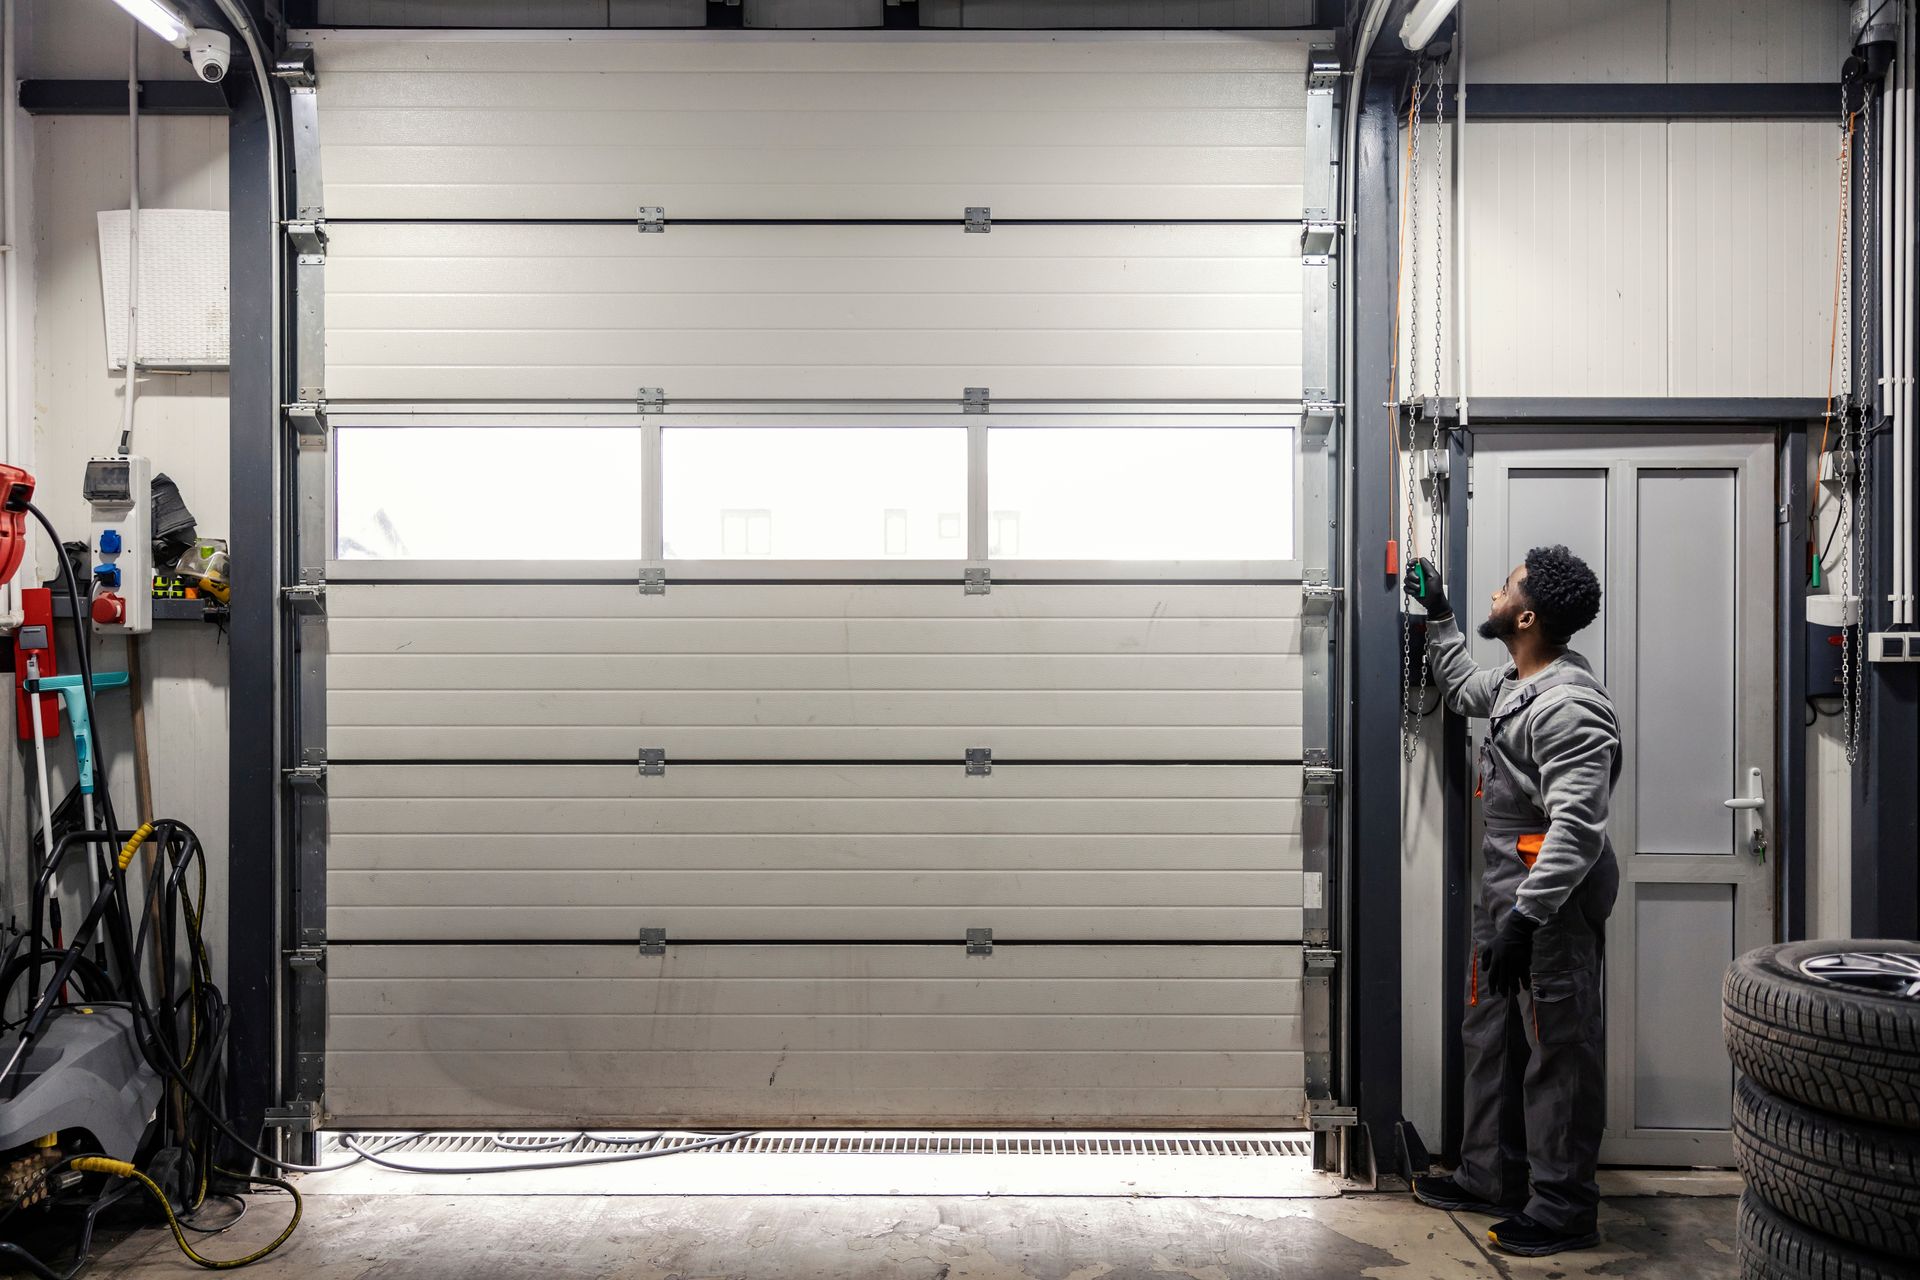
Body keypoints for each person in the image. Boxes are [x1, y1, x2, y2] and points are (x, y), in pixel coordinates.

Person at [1402, 545, 1620, 1259]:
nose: (1495, 590)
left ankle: (1562, 1209)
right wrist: (1440, 615)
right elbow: (1464, 688)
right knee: (1489, 1030)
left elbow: (1579, 828)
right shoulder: (1518, 683)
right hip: (1506, 888)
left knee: (1558, 1048)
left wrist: (1527, 919)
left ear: (1525, 616)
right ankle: (1487, 1173)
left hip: (1546, 903)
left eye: (1505, 588)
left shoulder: (1569, 708)